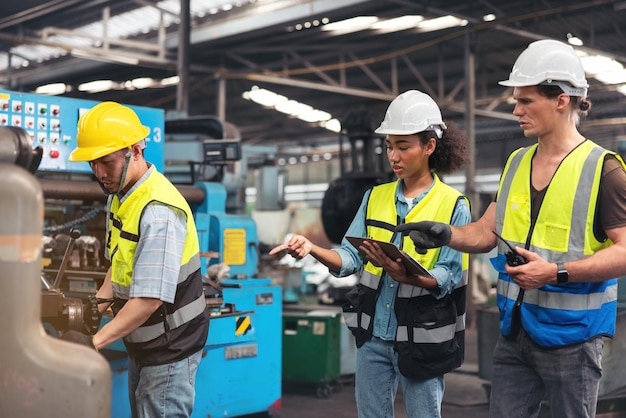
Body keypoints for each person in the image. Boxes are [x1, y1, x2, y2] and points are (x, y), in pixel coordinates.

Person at [396, 39, 626, 418]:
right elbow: (487, 232)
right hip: (515, 332)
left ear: (561, 100)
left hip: (573, 337)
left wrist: (555, 272)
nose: (516, 109)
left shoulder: (604, 169)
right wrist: (447, 234)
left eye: (526, 100)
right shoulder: (517, 162)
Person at [270, 90, 471, 418]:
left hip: (421, 336)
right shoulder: (374, 198)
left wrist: (412, 276)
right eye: (389, 146)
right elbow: (350, 257)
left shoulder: (453, 204)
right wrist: (312, 249)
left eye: (403, 147)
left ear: (429, 146)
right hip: (373, 335)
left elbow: (449, 275)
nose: (394, 156)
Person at [62, 101, 210, 418]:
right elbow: (119, 264)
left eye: (107, 162)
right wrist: (93, 307)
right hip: (144, 342)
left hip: (170, 348)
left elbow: (149, 300)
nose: (99, 173)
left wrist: (94, 341)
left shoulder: (158, 210)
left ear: (135, 150)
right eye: (92, 164)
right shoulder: (122, 196)